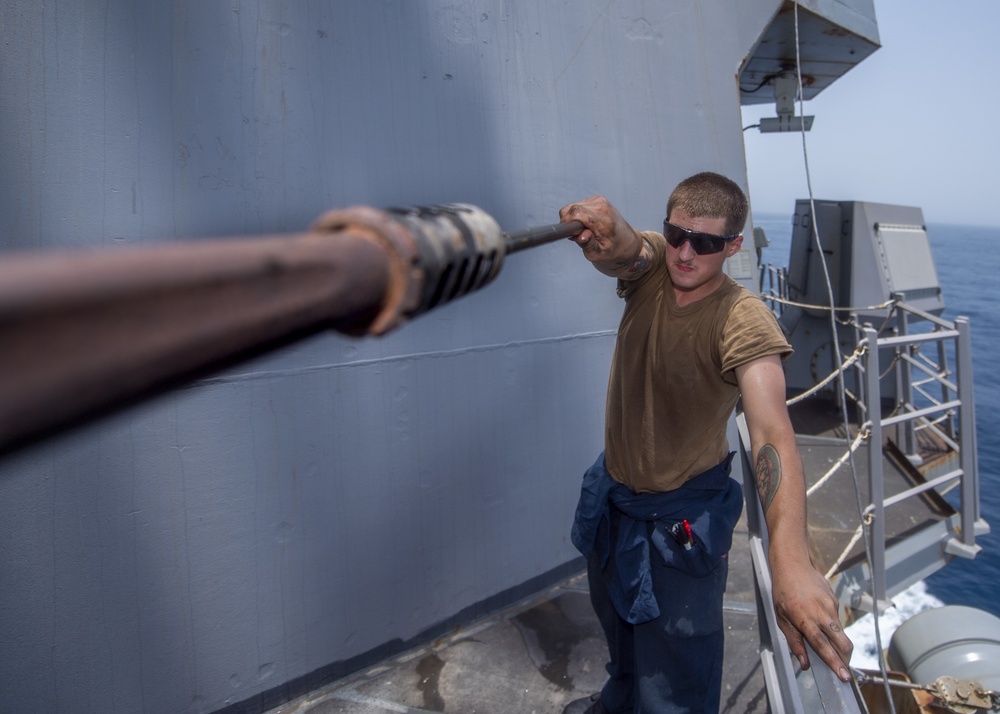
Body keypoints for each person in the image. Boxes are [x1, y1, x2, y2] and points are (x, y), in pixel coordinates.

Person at [559, 172, 853, 714]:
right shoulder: (653, 270)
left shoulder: (742, 320)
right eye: (678, 235)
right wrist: (607, 226)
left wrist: (789, 561)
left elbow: (769, 431)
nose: (686, 253)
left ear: (733, 245)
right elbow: (626, 250)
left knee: (677, 670)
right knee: (619, 633)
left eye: (707, 243)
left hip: (679, 520)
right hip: (615, 501)